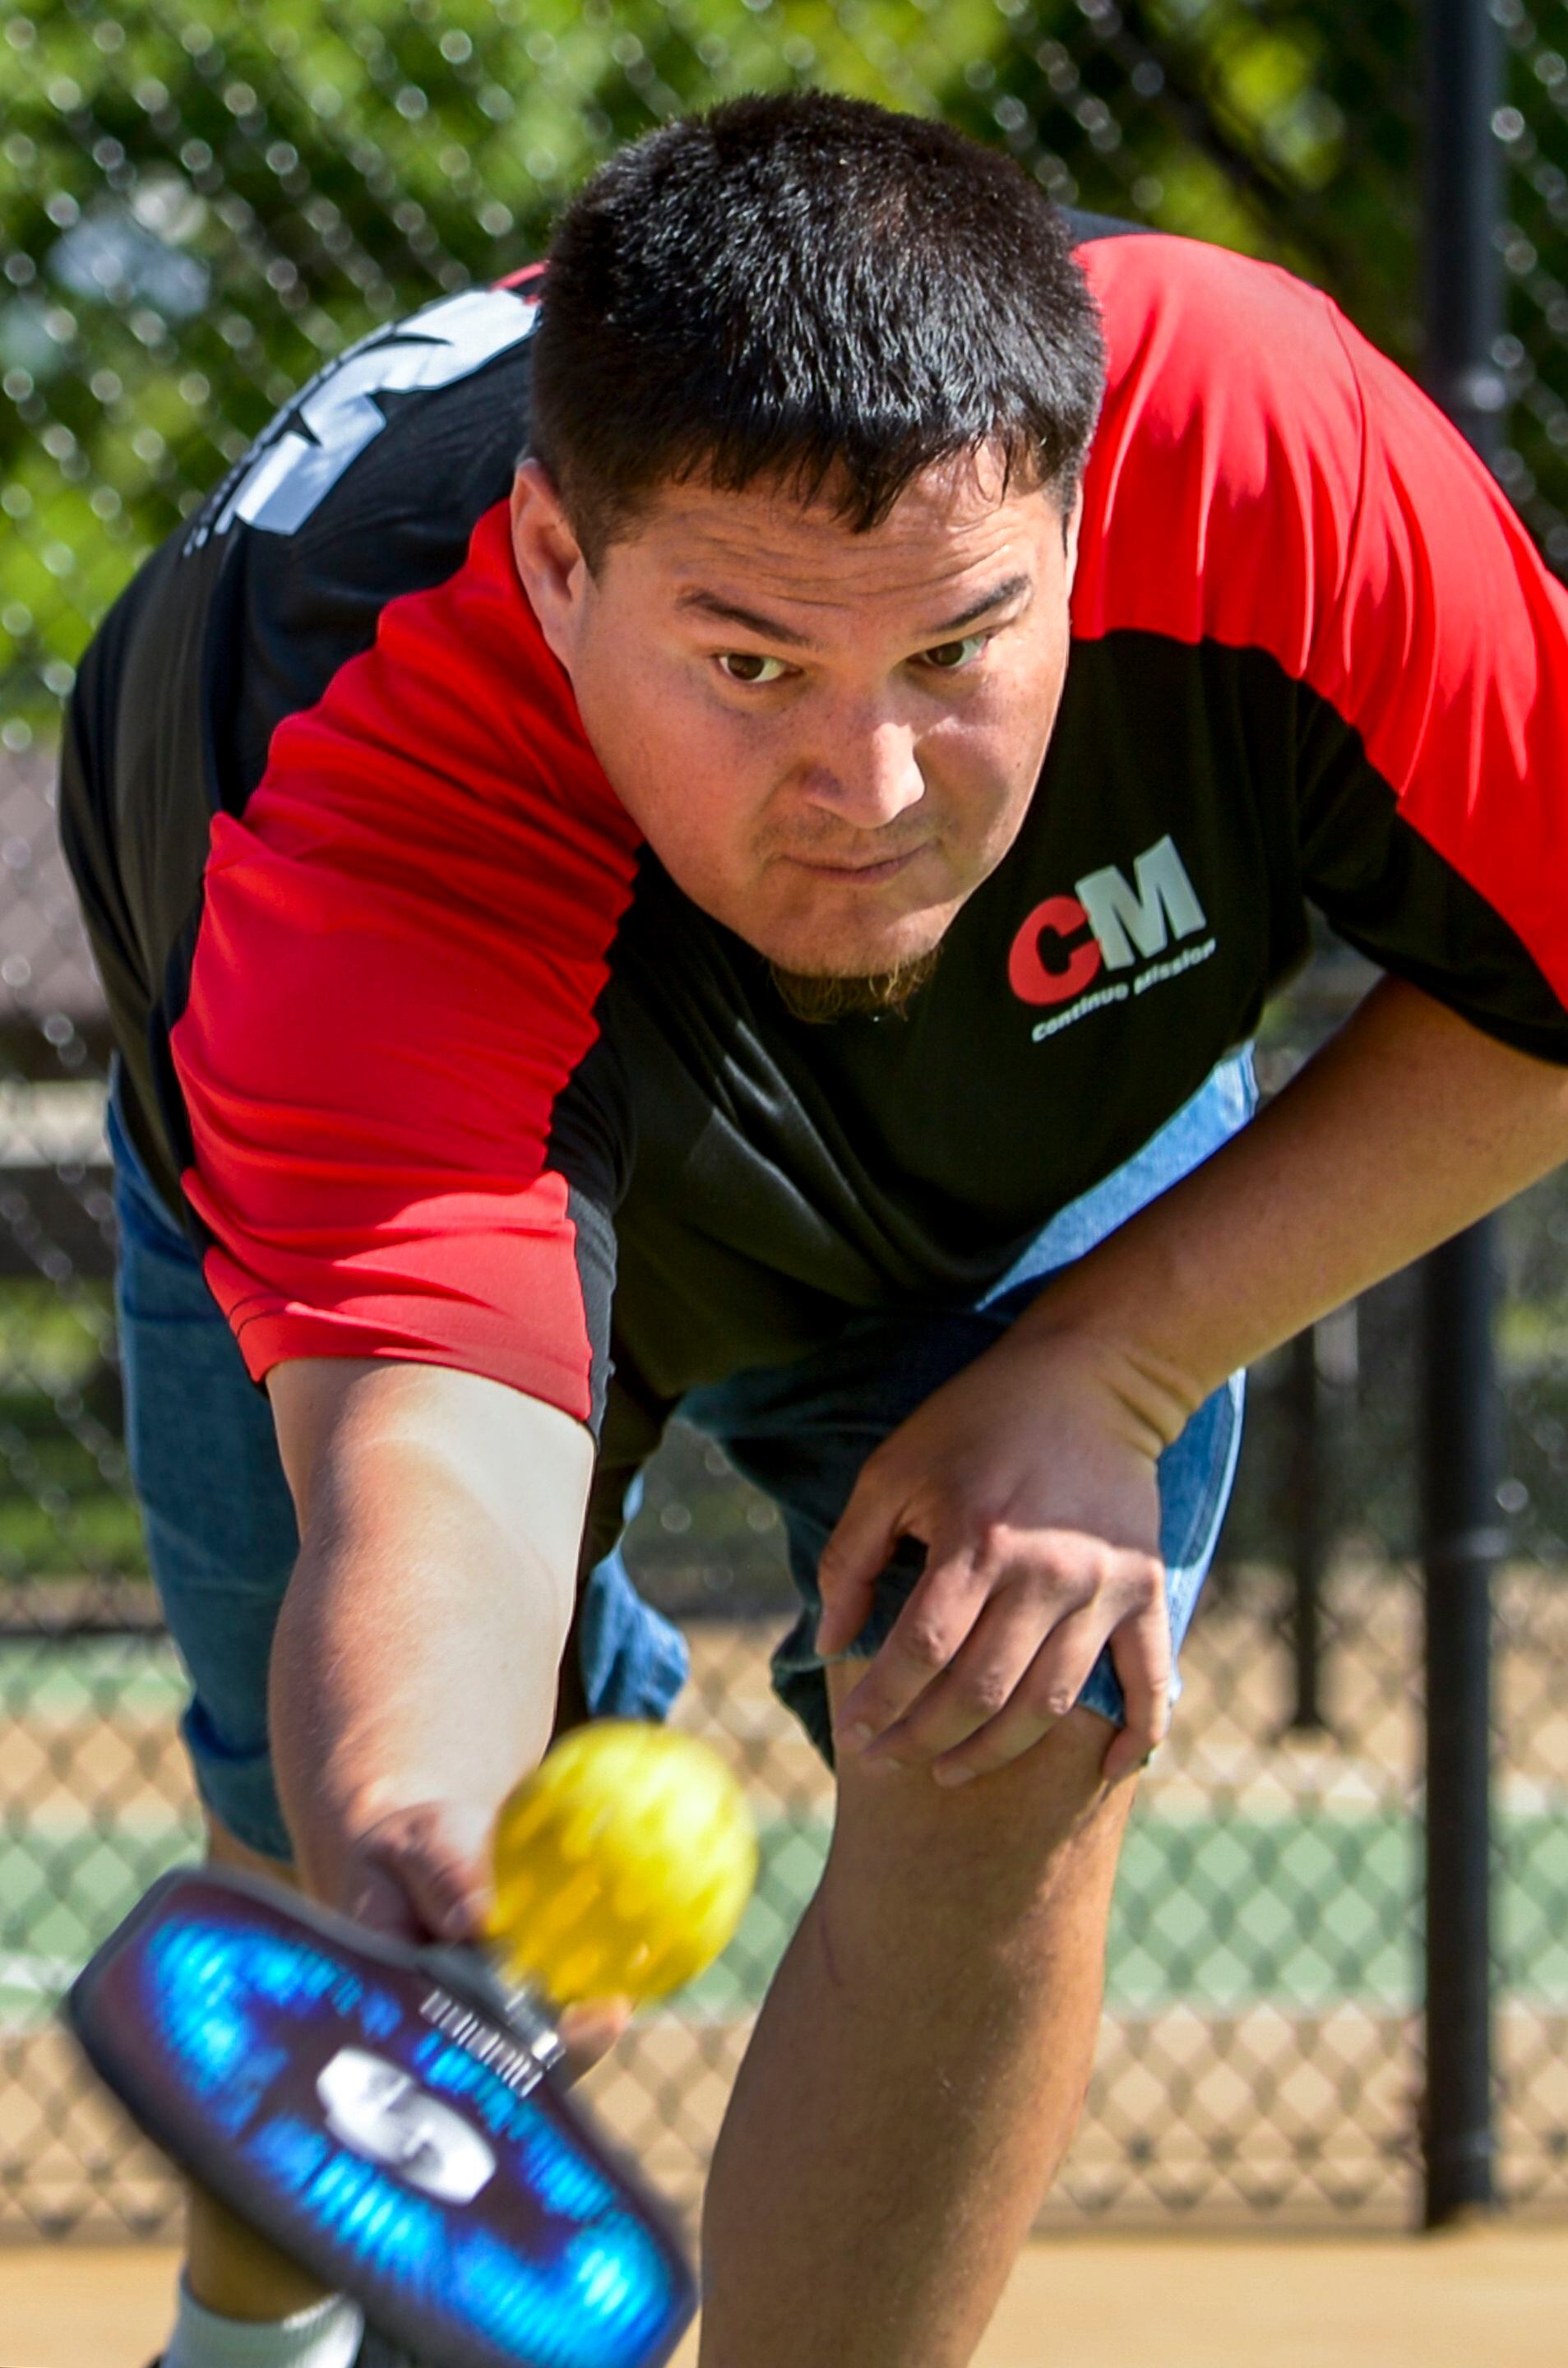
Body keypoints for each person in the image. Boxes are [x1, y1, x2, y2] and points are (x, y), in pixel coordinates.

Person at [60, 88, 1568, 2368]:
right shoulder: (357, 796)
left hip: (1026, 1121)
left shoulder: (1285, 466)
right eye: (752, 665)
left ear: (1077, 519)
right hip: (413, 1086)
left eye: (956, 651)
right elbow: (433, 1472)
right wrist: (414, 1840)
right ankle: (247, 2341)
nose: (867, 792)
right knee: (328, 1865)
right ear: (564, 572)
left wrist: (1113, 1364)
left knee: (1020, 1701)